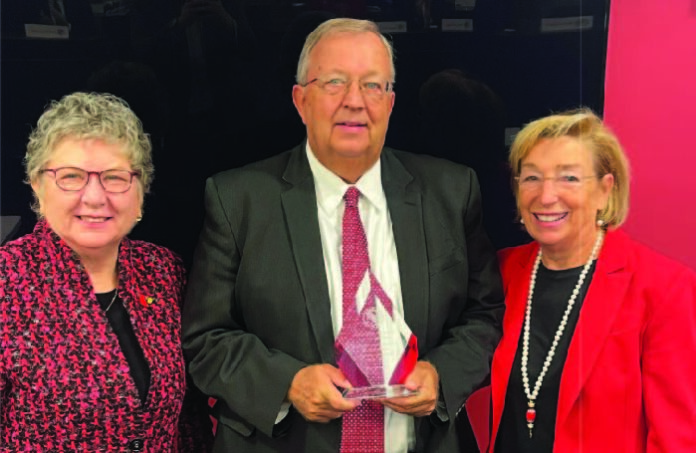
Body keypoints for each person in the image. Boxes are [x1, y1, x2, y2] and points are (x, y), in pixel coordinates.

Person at [182, 17, 504, 453]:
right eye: (334, 82)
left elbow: (484, 315)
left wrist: (441, 376)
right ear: (301, 100)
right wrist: (288, 384)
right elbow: (207, 337)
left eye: (373, 85)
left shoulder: (451, 191)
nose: (355, 101)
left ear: (391, 102)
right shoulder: (238, 199)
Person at [0, 92, 213, 451]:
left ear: (140, 190)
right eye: (71, 177)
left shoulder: (164, 272)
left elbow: (188, 423)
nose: (95, 197)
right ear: (37, 185)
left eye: (115, 177)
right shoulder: (7, 280)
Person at [488, 109, 696, 452]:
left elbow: (679, 438)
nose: (546, 195)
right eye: (531, 178)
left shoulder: (664, 288)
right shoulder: (502, 270)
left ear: (604, 190)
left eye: (568, 178)